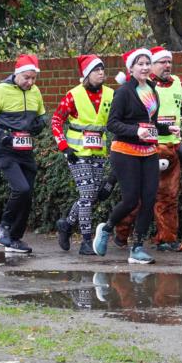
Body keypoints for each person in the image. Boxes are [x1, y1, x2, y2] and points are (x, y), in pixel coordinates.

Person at [113, 46, 182, 252]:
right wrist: (138, 132)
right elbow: (118, 122)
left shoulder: (177, 82)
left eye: (169, 61)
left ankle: (166, 238)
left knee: (168, 196)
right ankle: (120, 233)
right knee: (136, 198)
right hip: (148, 147)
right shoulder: (144, 87)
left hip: (172, 145)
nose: (167, 65)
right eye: (162, 62)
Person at [93, 48, 174, 264]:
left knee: (149, 199)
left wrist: (167, 129)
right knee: (130, 200)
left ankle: (137, 248)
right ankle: (107, 228)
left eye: (147, 63)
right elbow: (112, 124)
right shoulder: (124, 92)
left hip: (149, 151)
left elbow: (150, 123)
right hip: (124, 151)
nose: (145, 67)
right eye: (140, 64)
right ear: (131, 68)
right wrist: (135, 131)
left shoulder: (152, 89)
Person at [0, 54, 46, 254]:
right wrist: (1, 135)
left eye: (33, 78)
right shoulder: (0, 91)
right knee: (21, 188)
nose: (30, 82)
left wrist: (40, 124)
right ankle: (4, 226)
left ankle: (15, 239)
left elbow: (42, 116)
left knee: (28, 194)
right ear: (17, 74)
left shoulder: (35, 91)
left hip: (26, 150)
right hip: (5, 150)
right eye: (26, 78)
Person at [51, 54, 113, 256]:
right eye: (96, 70)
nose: (101, 73)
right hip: (76, 152)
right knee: (87, 195)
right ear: (87, 74)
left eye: (102, 69)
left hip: (98, 150)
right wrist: (64, 147)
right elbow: (56, 120)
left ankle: (67, 224)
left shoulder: (111, 94)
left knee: (92, 196)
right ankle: (86, 241)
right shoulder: (73, 95)